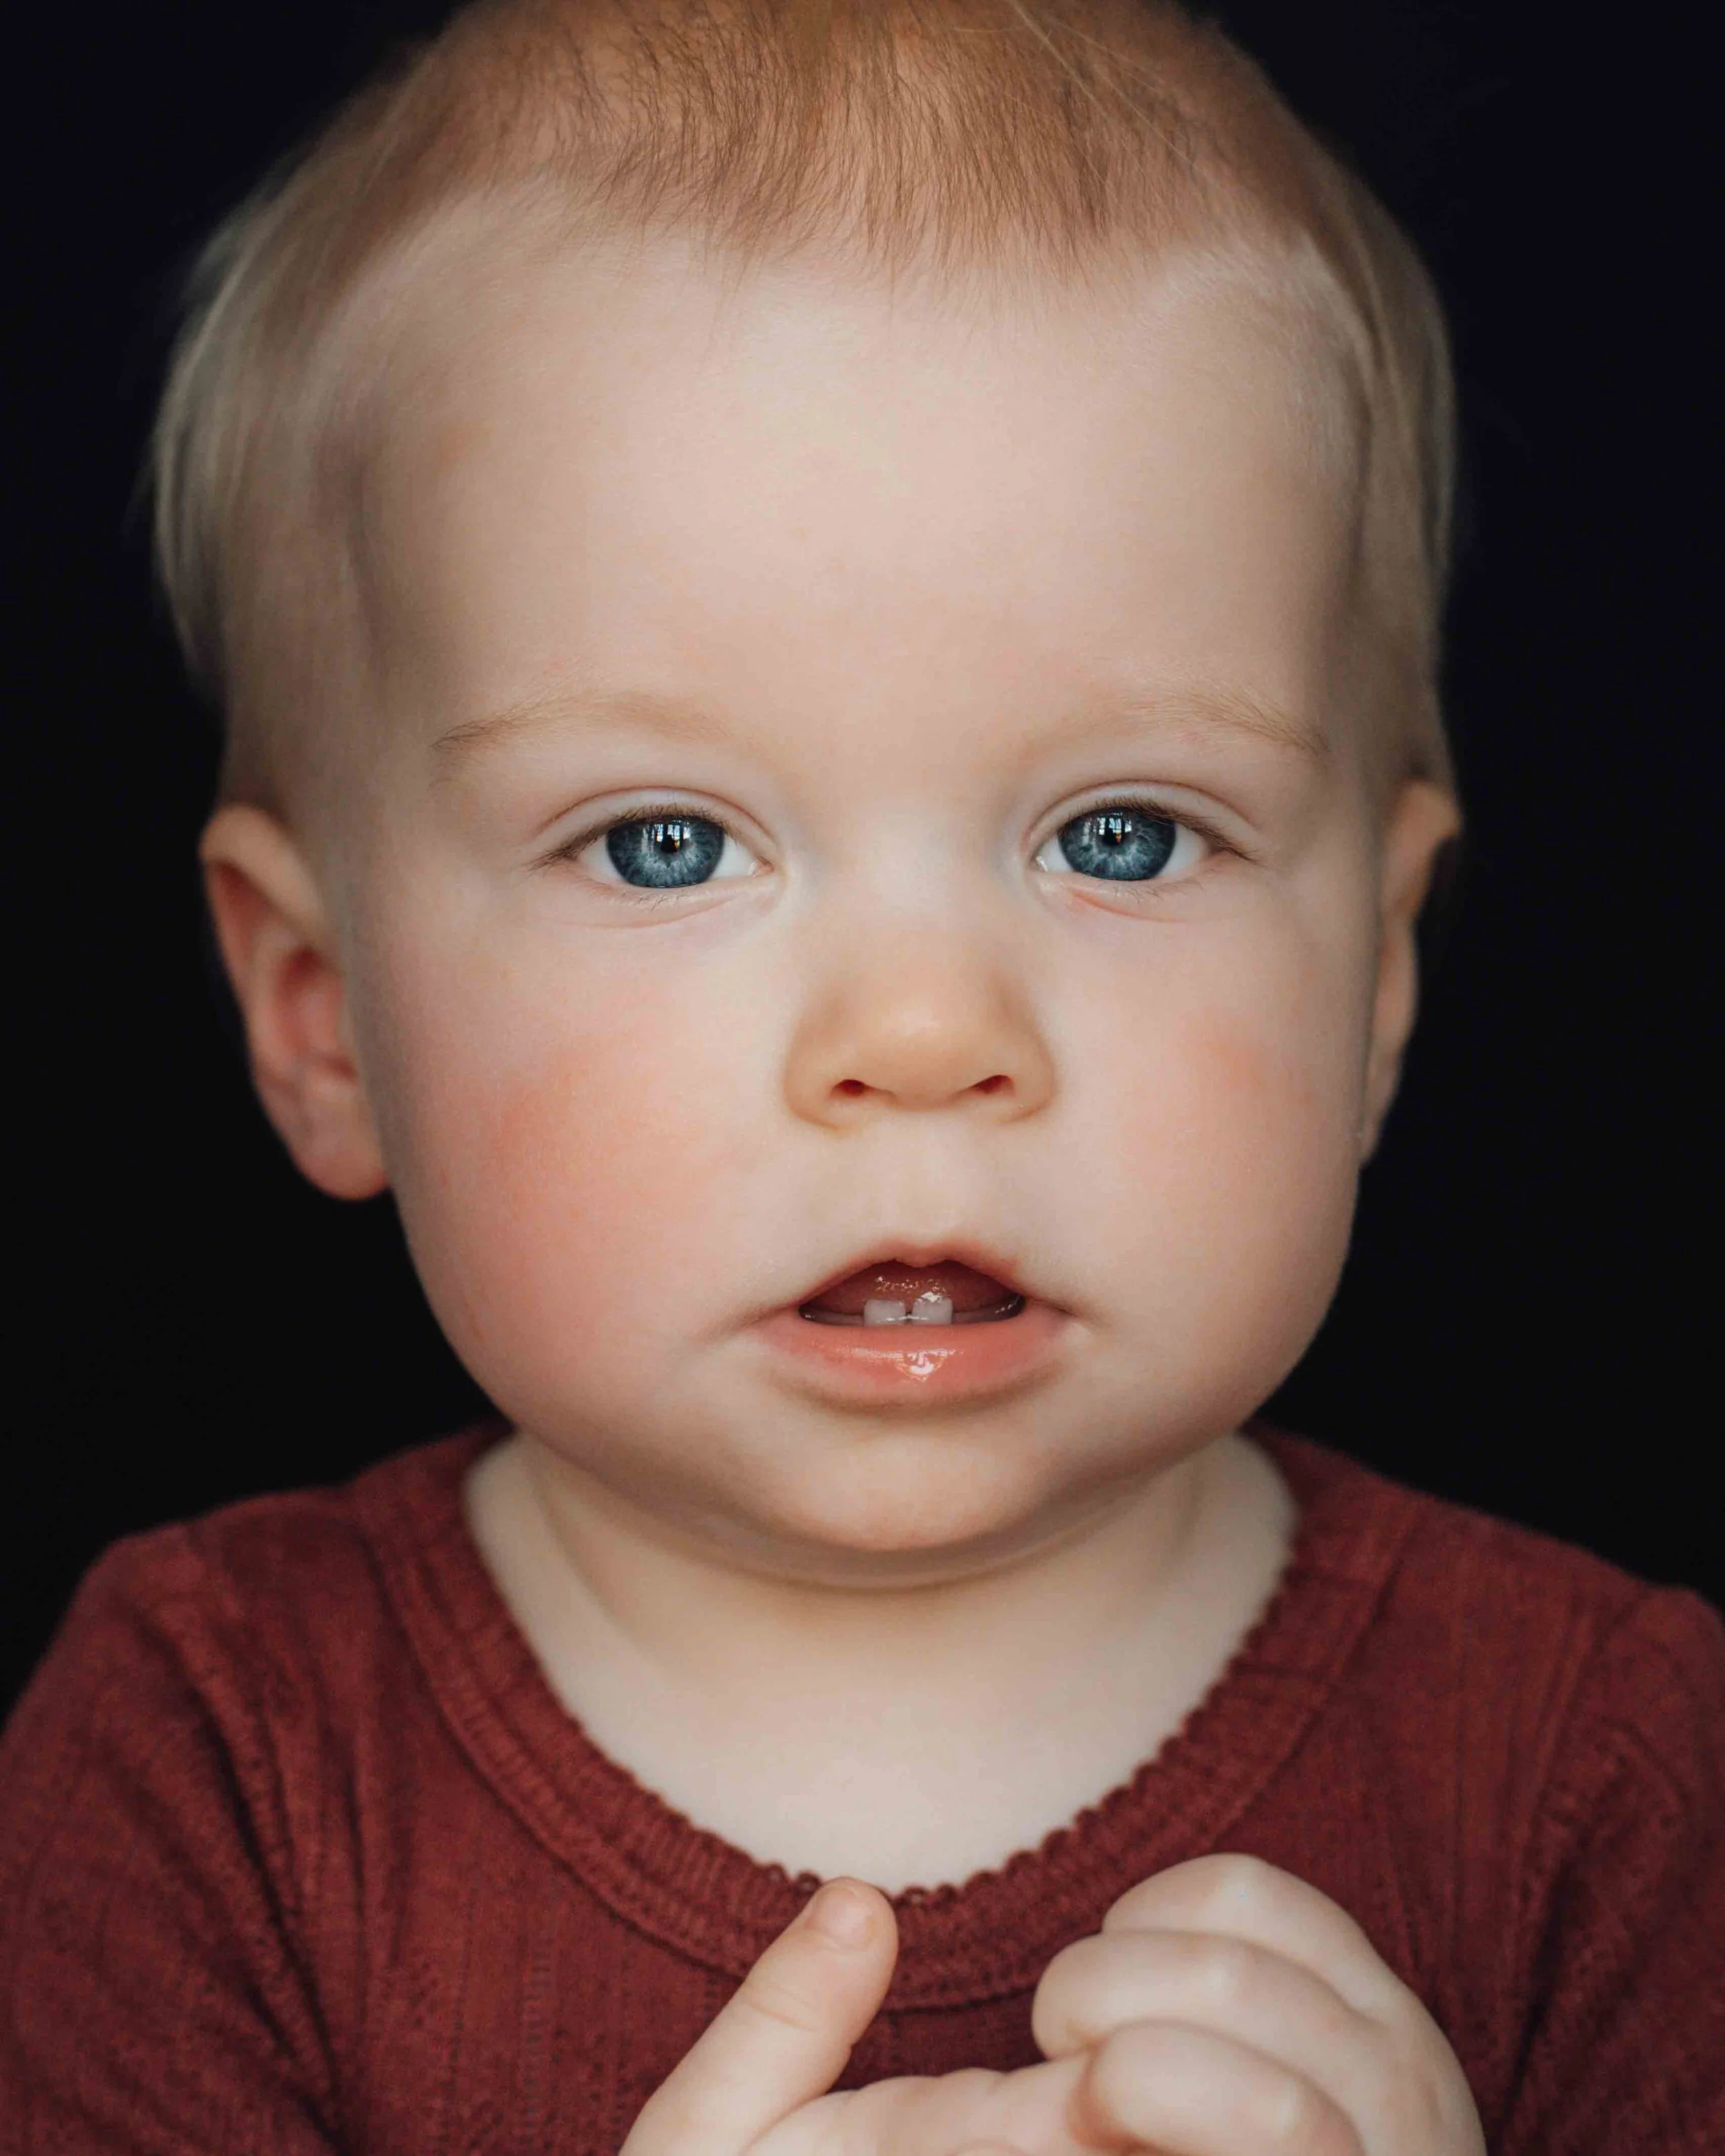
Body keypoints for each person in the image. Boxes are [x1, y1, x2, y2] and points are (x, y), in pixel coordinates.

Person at [3, 0, 1721, 2148]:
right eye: (663, 842)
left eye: (1121, 835)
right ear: (323, 1017)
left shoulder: (1603, 1770)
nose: (921, 1037)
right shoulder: (210, 1756)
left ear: (1372, 976)